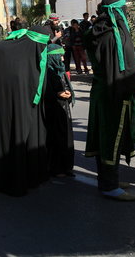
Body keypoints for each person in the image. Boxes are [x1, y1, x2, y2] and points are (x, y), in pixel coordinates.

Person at [84, 0, 135, 201]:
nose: (126, 13)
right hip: (117, 93)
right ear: (116, 11)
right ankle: (109, 186)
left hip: (100, 90)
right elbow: (129, 68)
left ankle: (107, 179)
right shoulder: (117, 34)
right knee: (113, 137)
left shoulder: (94, 31)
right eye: (123, 9)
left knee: (104, 137)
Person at [0, 25, 51, 196]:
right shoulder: (21, 55)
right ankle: (14, 180)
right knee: (17, 134)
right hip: (9, 104)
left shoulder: (6, 48)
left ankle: (3, 177)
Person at [44, 43, 75, 178]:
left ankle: (66, 166)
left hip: (64, 109)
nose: (62, 59)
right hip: (53, 111)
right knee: (55, 139)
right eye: (60, 56)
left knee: (66, 138)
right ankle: (55, 168)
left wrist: (68, 94)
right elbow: (44, 93)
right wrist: (57, 94)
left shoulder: (60, 71)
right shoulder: (46, 72)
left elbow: (66, 87)